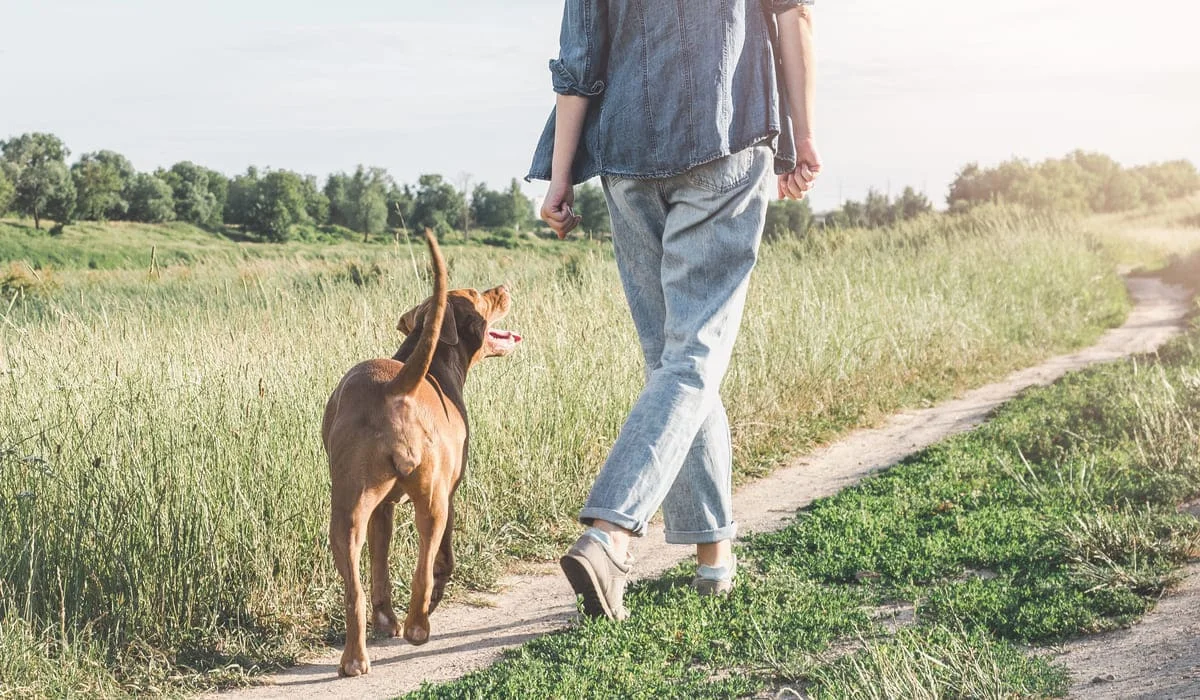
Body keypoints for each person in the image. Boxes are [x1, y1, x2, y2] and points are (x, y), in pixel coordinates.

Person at [528, 0, 821, 619]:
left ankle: (714, 560)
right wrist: (804, 136)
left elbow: (578, 63)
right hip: (728, 136)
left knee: (675, 361)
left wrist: (560, 176)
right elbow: (794, 18)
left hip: (626, 157)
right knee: (692, 356)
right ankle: (611, 533)